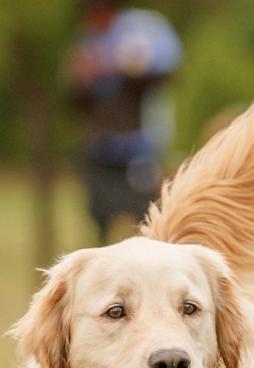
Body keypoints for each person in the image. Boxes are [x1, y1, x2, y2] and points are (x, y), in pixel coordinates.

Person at [66, 2, 181, 243]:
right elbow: (76, 93)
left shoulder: (142, 29)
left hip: (138, 147)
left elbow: (165, 67)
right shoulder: (88, 41)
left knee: (147, 215)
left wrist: (115, 68)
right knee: (100, 215)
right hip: (101, 148)